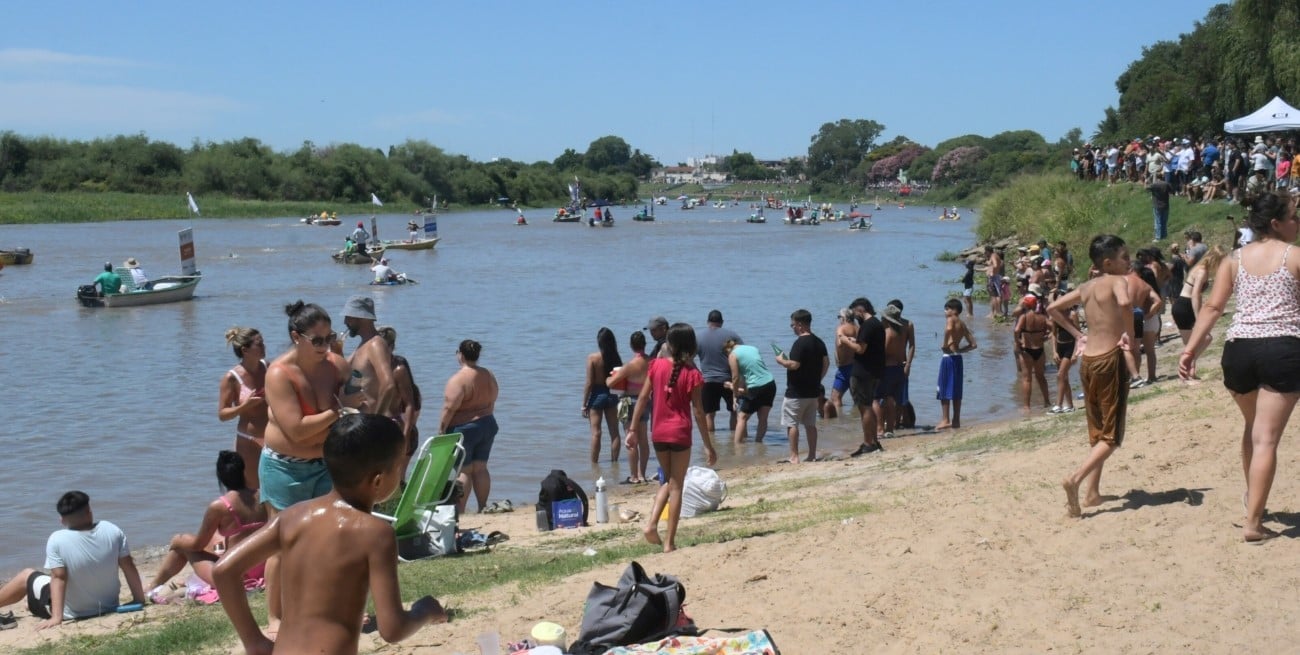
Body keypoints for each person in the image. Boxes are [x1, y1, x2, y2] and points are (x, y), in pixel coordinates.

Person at [214, 414, 448, 655]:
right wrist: (425, 610)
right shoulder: (376, 534)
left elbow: (223, 571)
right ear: (378, 480)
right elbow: (393, 629)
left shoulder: (291, 517)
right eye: (398, 467)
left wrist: (253, 641)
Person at [1180, 192, 1300, 543]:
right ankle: (1253, 523)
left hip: (1239, 352)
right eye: (1294, 216)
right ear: (1276, 223)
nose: (1298, 222)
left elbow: (1213, 308)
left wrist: (1190, 349)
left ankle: (1253, 499)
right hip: (1282, 349)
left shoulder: (1234, 259)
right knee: (1266, 439)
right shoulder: (1294, 256)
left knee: (1253, 428)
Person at [260, 300, 349, 635]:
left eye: (330, 338)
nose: (325, 346)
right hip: (285, 468)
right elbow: (296, 429)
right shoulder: (279, 373)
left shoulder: (333, 365)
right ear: (297, 337)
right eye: (318, 340)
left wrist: (356, 390)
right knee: (282, 543)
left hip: (325, 463)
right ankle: (275, 617)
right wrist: (338, 411)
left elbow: (361, 387)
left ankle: (332, 607)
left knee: (331, 538)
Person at [1048, 234, 1137, 519]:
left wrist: (1078, 335)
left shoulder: (1086, 287)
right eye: (1125, 257)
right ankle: (1075, 479)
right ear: (1108, 263)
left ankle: (1092, 493)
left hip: (1088, 361)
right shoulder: (1118, 281)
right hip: (1111, 358)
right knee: (1112, 436)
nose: (1129, 261)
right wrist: (1130, 336)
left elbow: (1052, 308)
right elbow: (1125, 303)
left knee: (1098, 431)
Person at [626, 323, 717, 552]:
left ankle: (651, 525)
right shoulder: (693, 374)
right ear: (691, 346)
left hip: (658, 433)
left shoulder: (655, 366)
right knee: (677, 486)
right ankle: (669, 542)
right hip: (680, 433)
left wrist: (633, 429)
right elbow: (699, 412)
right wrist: (708, 446)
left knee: (668, 481)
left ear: (670, 343)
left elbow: (642, 398)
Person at [0, 491, 146, 630]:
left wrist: (56, 617)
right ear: (89, 511)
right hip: (108, 606)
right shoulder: (112, 530)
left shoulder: (57, 539)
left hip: (71, 613)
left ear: (62, 520)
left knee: (27, 575)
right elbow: (128, 565)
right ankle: (30, 603)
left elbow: (59, 577)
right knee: (43, 584)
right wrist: (138, 599)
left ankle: (33, 603)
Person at [146, 451, 268, 602]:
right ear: (243, 471)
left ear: (220, 476)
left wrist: (178, 540)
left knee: (182, 546)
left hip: (233, 576)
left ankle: (153, 586)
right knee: (214, 542)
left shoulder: (220, 506)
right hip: (262, 570)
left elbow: (197, 545)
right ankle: (155, 585)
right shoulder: (263, 496)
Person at [439, 340, 499, 515]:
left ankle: (461, 511)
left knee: (463, 471)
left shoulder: (457, 380)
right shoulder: (488, 374)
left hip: (464, 429)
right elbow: (494, 397)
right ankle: (482, 506)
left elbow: (449, 408)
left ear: (461, 355)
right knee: (480, 468)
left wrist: (441, 430)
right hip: (487, 423)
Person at [774, 309, 829, 463]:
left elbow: (794, 364)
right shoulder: (819, 342)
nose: (792, 328)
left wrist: (781, 361)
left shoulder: (800, 343)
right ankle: (812, 455)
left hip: (796, 392)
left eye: (792, 325)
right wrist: (818, 379)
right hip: (813, 391)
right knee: (810, 424)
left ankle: (794, 456)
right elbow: (826, 363)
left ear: (799, 325)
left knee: (792, 424)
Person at [220, 327, 268, 490]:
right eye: (259, 344)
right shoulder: (232, 378)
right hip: (249, 439)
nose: (264, 347)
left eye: (263, 343)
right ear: (245, 350)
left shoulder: (268, 367)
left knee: (275, 489)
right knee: (254, 490)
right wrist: (244, 406)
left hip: (273, 436)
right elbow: (222, 414)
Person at [842, 298, 885, 455]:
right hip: (874, 371)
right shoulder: (877, 324)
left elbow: (860, 349)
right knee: (868, 405)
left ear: (861, 310)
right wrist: (855, 340)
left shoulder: (867, 325)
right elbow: (868, 345)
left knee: (864, 407)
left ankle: (868, 443)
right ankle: (873, 441)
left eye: (855, 313)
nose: (854, 317)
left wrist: (845, 341)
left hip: (863, 372)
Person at [607, 331, 650, 484]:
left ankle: (634, 476)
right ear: (645, 344)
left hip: (629, 402)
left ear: (631, 346)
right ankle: (642, 474)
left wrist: (608, 377)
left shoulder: (630, 366)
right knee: (644, 440)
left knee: (631, 441)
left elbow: (611, 383)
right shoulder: (651, 362)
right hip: (645, 401)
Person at [343, 295, 396, 416]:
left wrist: (376, 419)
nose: (345, 322)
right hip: (357, 418)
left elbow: (389, 385)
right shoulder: (363, 345)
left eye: (348, 317)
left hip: (369, 419)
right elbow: (343, 375)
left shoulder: (375, 344)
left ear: (361, 318)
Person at [378, 326, 422, 461]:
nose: (378, 351)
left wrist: (405, 436)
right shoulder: (372, 366)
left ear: (391, 347)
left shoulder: (398, 370)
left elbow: (409, 404)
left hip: (393, 425)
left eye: (383, 347)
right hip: (374, 425)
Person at [696, 310, 742, 436]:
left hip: (708, 381)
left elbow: (688, 358)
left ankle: (712, 442)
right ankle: (735, 441)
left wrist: (698, 373)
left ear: (707, 322)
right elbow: (742, 354)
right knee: (734, 411)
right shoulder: (732, 335)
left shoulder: (698, 337)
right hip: (729, 380)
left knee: (709, 414)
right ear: (722, 322)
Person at [875, 301, 915, 439]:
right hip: (899, 367)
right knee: (891, 399)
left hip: (887, 369)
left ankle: (880, 428)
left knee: (877, 399)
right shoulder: (900, 332)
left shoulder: (888, 333)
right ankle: (890, 429)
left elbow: (883, 353)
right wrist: (907, 364)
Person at [583, 327, 623, 463]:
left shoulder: (592, 358)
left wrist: (584, 404)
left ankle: (594, 465)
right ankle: (614, 463)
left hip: (597, 395)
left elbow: (589, 383)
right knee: (614, 432)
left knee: (596, 433)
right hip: (611, 394)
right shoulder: (615, 357)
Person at [725, 338, 776, 444]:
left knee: (742, 417)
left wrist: (734, 395)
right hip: (770, 383)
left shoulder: (732, 355)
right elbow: (752, 370)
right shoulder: (753, 348)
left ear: (727, 350)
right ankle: (759, 443)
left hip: (756, 386)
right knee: (763, 417)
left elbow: (735, 378)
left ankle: (737, 447)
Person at [1172, 246, 1225, 347]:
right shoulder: (1202, 271)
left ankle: (1190, 357)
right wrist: (1199, 317)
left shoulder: (1198, 268)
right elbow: (1195, 294)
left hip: (1181, 305)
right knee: (1204, 339)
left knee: (1191, 344)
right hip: (1186, 306)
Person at [937, 298, 977, 429]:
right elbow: (973, 344)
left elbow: (948, 329)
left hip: (948, 357)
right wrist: (960, 350)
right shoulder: (962, 324)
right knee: (956, 390)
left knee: (944, 388)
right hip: (958, 358)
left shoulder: (951, 319)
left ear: (954, 310)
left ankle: (945, 419)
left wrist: (944, 344)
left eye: (947, 309)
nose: (945, 312)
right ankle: (956, 421)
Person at [1014, 296, 1052, 411]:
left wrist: (1018, 341)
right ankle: (1047, 402)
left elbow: (1016, 330)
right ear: (1035, 304)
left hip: (1027, 350)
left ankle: (1027, 406)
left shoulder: (1024, 316)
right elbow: (1053, 327)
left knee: (1027, 378)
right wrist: (1047, 337)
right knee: (1041, 376)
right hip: (1039, 349)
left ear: (1026, 305)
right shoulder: (1042, 317)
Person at [1048, 281, 1079, 414]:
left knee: (1060, 375)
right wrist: (1054, 351)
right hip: (1059, 347)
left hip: (1070, 347)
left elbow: (1079, 334)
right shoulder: (1055, 316)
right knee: (1063, 378)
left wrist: (1075, 353)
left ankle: (1058, 405)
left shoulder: (1072, 315)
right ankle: (1070, 405)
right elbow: (1054, 334)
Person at [824, 308, 857, 419]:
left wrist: (843, 339)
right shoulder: (858, 328)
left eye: (839, 317)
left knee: (835, 397)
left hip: (844, 368)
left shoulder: (841, 328)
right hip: (856, 367)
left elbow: (840, 343)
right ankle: (856, 420)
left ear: (844, 318)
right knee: (856, 398)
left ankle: (838, 422)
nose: (839, 320)